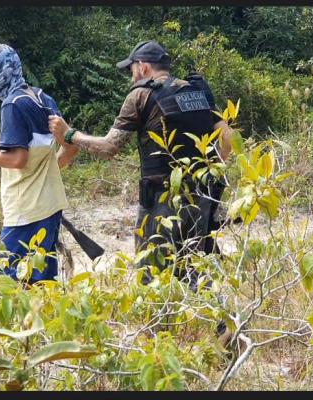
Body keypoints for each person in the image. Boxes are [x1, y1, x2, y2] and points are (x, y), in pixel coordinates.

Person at [48, 40, 234, 343]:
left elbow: (110, 147)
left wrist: (69, 134)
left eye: (132, 69)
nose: (132, 75)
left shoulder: (141, 95)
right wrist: (210, 171)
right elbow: (228, 136)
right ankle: (224, 325)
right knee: (192, 262)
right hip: (199, 195)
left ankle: (154, 342)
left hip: (160, 198)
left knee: (151, 268)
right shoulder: (195, 91)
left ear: (143, 66)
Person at [0, 43, 78, 285]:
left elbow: (18, 159)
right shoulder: (44, 98)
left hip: (25, 210)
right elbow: (70, 148)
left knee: (9, 280)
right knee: (43, 278)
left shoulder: (12, 104)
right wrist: (45, 171)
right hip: (51, 205)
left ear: (4, 70)